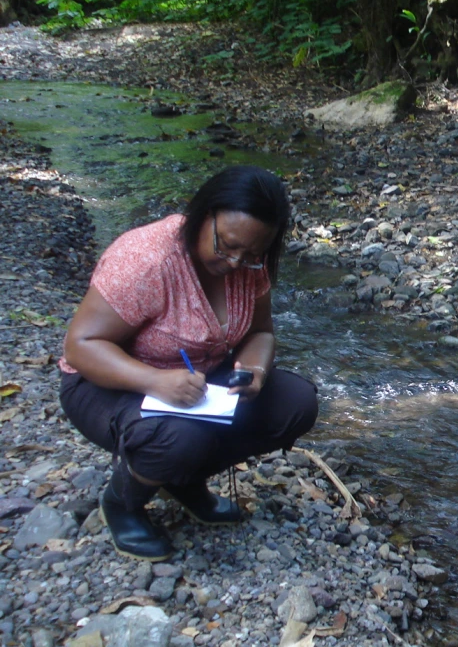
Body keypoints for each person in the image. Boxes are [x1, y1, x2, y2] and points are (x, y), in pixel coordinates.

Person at [59, 165, 319, 562]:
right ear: (203, 214)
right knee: (181, 440)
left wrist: (254, 373)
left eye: (251, 254)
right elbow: (81, 345)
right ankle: (123, 503)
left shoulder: (251, 261)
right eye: (226, 246)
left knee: (296, 403)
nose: (235, 262)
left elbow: (261, 333)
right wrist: (154, 381)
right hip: (107, 383)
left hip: (200, 379)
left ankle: (182, 480)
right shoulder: (147, 260)